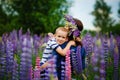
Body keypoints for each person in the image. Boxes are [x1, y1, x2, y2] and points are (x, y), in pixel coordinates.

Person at [52, 15, 86, 80]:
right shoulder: (82, 48)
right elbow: (82, 67)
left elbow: (53, 65)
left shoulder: (60, 46)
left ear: (70, 30)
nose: (64, 27)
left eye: (66, 26)